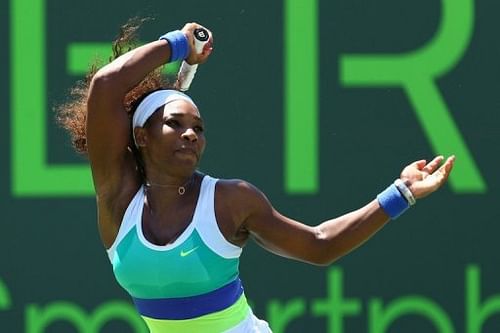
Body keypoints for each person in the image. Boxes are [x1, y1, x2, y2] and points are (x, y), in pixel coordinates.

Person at [57, 19, 455, 333]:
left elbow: (320, 245)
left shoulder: (231, 201)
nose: (192, 134)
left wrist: (401, 193)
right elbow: (106, 85)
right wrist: (178, 43)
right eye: (176, 124)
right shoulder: (118, 198)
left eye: (199, 127)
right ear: (141, 136)